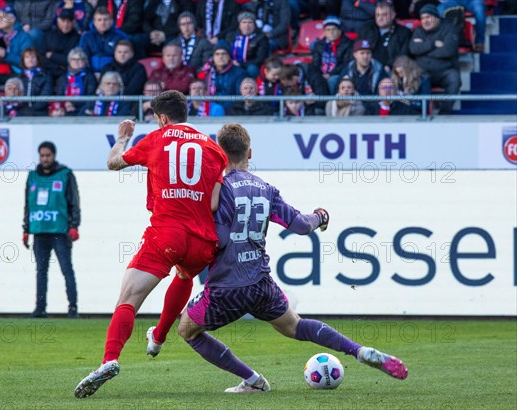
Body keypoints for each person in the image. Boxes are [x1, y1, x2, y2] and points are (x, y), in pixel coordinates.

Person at [174, 123, 408, 392]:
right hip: (261, 283)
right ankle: (359, 350)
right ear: (249, 153)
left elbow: (221, 238)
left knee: (187, 329)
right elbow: (300, 226)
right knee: (294, 326)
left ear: (219, 154)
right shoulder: (266, 189)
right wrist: (320, 216)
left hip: (226, 286)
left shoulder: (218, 190)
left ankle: (253, 380)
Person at [74, 90, 228, 398]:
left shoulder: (156, 140)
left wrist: (122, 137)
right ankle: (157, 338)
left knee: (128, 299)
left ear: (163, 118)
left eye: (156, 119)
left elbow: (113, 163)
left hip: (166, 234)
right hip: (201, 239)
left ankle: (109, 360)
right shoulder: (214, 149)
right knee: (184, 275)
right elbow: (213, 203)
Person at [23, 141, 81, 319]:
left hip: (60, 231)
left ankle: (72, 309)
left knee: (66, 269)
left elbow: (74, 202)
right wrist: (26, 229)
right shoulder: (32, 176)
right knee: (41, 272)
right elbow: (28, 205)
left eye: (48, 155)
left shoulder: (65, 175)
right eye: (42, 156)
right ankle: (40, 308)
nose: (45, 159)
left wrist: (74, 226)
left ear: (54, 155)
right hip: (39, 232)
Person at [408, 4, 460, 115]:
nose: (425, 21)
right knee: (411, 76)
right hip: (422, 72)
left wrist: (424, 50)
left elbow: (448, 51)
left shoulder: (449, 29)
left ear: (436, 17)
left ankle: (444, 114)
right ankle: (418, 113)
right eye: (422, 18)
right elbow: (413, 49)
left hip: (444, 71)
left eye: (428, 17)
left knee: (454, 79)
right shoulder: (418, 31)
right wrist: (433, 44)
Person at [358, 1, 412, 73]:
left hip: (392, 71)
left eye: (384, 15)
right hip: (367, 68)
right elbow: (357, 50)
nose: (380, 18)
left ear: (393, 15)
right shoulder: (367, 29)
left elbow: (403, 55)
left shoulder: (404, 32)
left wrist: (390, 66)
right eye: (378, 15)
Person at [310, 15, 353, 95]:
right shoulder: (319, 45)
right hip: (322, 73)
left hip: (338, 74)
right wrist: (320, 75)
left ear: (340, 30)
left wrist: (330, 74)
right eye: (328, 30)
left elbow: (345, 64)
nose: (331, 32)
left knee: (332, 80)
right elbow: (315, 63)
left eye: (334, 29)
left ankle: (332, 102)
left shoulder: (348, 44)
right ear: (325, 32)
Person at [78, 6, 128, 75]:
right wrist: (91, 75)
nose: (102, 23)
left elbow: (124, 59)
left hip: (114, 75)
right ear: (94, 22)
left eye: (105, 20)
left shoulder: (120, 36)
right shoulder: (86, 37)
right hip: (91, 75)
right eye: (99, 20)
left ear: (111, 21)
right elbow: (82, 58)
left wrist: (106, 75)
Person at [199, 43, 246, 108]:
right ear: (213, 57)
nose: (220, 57)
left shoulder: (239, 73)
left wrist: (221, 108)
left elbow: (239, 97)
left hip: (232, 111)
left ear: (229, 56)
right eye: (217, 54)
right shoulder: (206, 72)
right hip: (210, 110)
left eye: (224, 54)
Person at [55, 47, 98, 117]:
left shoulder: (90, 77)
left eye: (79, 59)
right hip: (66, 109)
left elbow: (91, 97)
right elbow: (59, 95)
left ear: (85, 61)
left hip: (83, 110)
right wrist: (65, 104)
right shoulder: (63, 78)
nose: (76, 61)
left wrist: (74, 104)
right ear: (69, 61)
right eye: (73, 59)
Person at [225, 11, 269, 78]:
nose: (247, 26)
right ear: (239, 24)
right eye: (244, 22)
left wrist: (241, 64)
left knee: (252, 69)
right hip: (232, 64)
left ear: (254, 24)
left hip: (249, 66)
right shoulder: (231, 36)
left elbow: (260, 59)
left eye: (250, 22)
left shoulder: (261, 37)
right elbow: (225, 52)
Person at [42, 8, 81, 81]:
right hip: (49, 72)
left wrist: (52, 55)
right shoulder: (50, 34)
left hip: (66, 74)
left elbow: (69, 60)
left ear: (73, 23)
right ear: (58, 21)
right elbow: (42, 56)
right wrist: (57, 67)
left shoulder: (77, 38)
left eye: (69, 21)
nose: (65, 24)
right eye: (63, 21)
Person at [19, 47, 53, 116]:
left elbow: (44, 97)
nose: (30, 60)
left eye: (33, 57)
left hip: (40, 113)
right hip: (21, 112)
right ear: (23, 60)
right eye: (27, 57)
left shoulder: (45, 76)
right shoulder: (19, 77)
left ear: (38, 59)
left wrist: (30, 111)